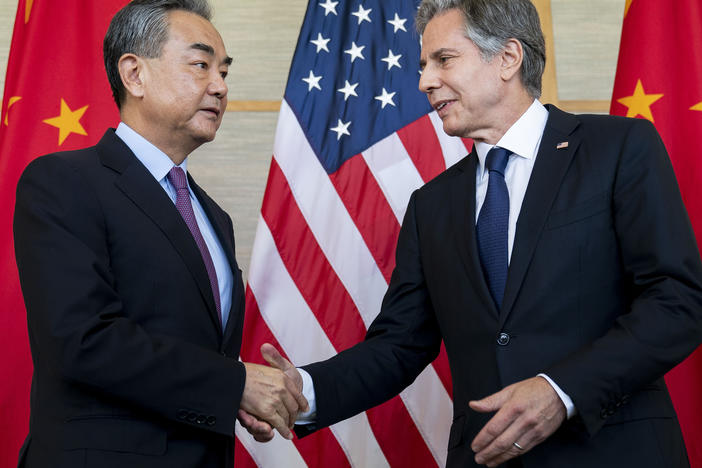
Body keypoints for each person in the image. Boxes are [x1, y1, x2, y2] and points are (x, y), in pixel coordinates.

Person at [239, 0, 702, 467]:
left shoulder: (618, 149)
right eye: (423, 66)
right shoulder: (431, 205)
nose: (424, 82)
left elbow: (679, 300)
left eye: (443, 60)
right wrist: (306, 391)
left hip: (614, 451)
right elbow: (400, 345)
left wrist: (561, 391)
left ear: (507, 58)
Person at [13, 1, 306, 466]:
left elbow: (188, 347)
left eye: (224, 71)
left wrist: (230, 399)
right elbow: (82, 340)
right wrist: (233, 384)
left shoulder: (213, 216)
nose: (220, 86)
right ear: (134, 74)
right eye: (200, 64)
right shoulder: (62, 181)